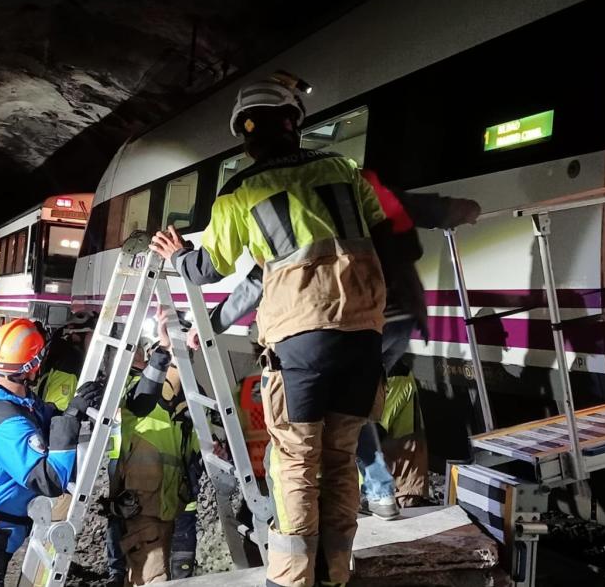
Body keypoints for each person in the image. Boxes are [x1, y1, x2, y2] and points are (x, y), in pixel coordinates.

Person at [151, 71, 388, 587]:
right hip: (365, 333)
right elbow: (374, 233)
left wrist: (179, 256)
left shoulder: (241, 192)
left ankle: (291, 578)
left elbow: (208, 269)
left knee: (296, 463)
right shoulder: (346, 170)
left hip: (301, 343)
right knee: (342, 459)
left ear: (244, 135)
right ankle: (336, 573)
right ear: (295, 125)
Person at [198, 170, 480, 517]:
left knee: (341, 409)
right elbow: (406, 203)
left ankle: (361, 495)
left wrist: (207, 325)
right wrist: (454, 210)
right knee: (352, 407)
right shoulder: (346, 186)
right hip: (400, 312)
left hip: (363, 316)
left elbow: (252, 285)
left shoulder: (292, 219)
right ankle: (376, 492)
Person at [0, 318, 103, 587]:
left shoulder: (5, 396)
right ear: (33, 367)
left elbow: (39, 417)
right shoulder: (5, 419)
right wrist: (70, 421)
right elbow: (48, 480)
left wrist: (72, 411)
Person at [104, 309, 202, 586]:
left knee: (167, 575)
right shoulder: (136, 386)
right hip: (141, 503)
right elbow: (144, 397)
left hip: (173, 501)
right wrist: (165, 350)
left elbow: (195, 442)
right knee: (151, 577)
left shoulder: (193, 396)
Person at [36, 311, 95, 411]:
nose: (94, 341)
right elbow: (58, 410)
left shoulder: (64, 359)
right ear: (76, 336)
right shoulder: (69, 366)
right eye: (91, 336)